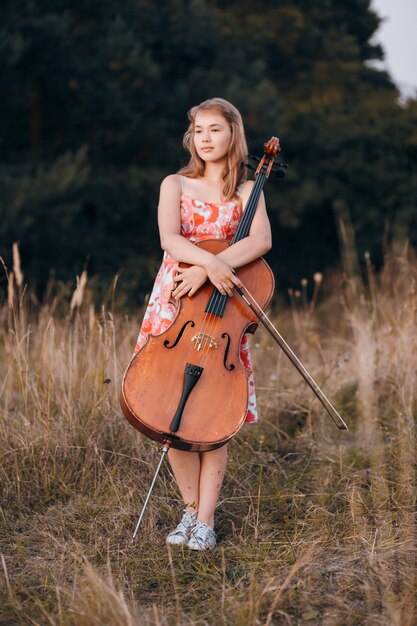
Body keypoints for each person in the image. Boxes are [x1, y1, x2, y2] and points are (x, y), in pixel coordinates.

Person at [134, 97, 272, 550]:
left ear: (233, 133)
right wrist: (204, 267)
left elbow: (261, 241)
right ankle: (189, 512)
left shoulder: (249, 190)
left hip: (222, 311)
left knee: (212, 411)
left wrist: (210, 269)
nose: (206, 138)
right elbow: (169, 237)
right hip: (176, 304)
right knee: (168, 410)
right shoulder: (175, 183)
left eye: (215, 129)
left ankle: (207, 522)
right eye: (198, 130)